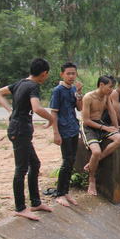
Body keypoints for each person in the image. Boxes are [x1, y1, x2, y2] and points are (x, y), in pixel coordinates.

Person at [0, 57, 56, 221]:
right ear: (44, 74)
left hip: (20, 129)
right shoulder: (33, 87)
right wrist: (51, 119)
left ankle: (35, 202)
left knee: (34, 164)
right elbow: (36, 107)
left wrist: (10, 111)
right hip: (20, 131)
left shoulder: (20, 83)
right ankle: (20, 207)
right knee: (21, 169)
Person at [81, 75, 120, 196]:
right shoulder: (88, 97)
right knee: (95, 151)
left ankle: (97, 160)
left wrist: (116, 128)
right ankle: (92, 179)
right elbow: (85, 120)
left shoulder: (106, 97)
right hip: (89, 127)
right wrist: (104, 127)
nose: (112, 90)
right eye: (110, 87)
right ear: (101, 84)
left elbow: (112, 112)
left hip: (100, 124)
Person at [49, 61, 83, 207]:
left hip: (73, 128)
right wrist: (56, 133)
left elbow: (79, 108)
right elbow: (53, 113)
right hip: (63, 129)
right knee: (66, 161)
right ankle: (60, 193)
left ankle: (65, 191)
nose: (71, 76)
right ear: (62, 74)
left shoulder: (73, 89)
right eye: (68, 74)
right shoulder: (57, 91)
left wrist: (79, 93)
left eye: (73, 73)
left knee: (72, 160)